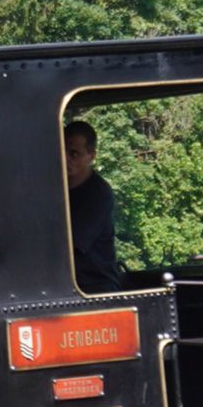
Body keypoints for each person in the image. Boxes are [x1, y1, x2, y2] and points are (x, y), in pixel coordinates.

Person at [64, 119, 123, 292]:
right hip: (66, 287)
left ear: (91, 156)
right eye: (62, 151)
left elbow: (70, 246)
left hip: (95, 287)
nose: (66, 158)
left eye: (74, 153)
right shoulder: (54, 188)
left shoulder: (98, 194)